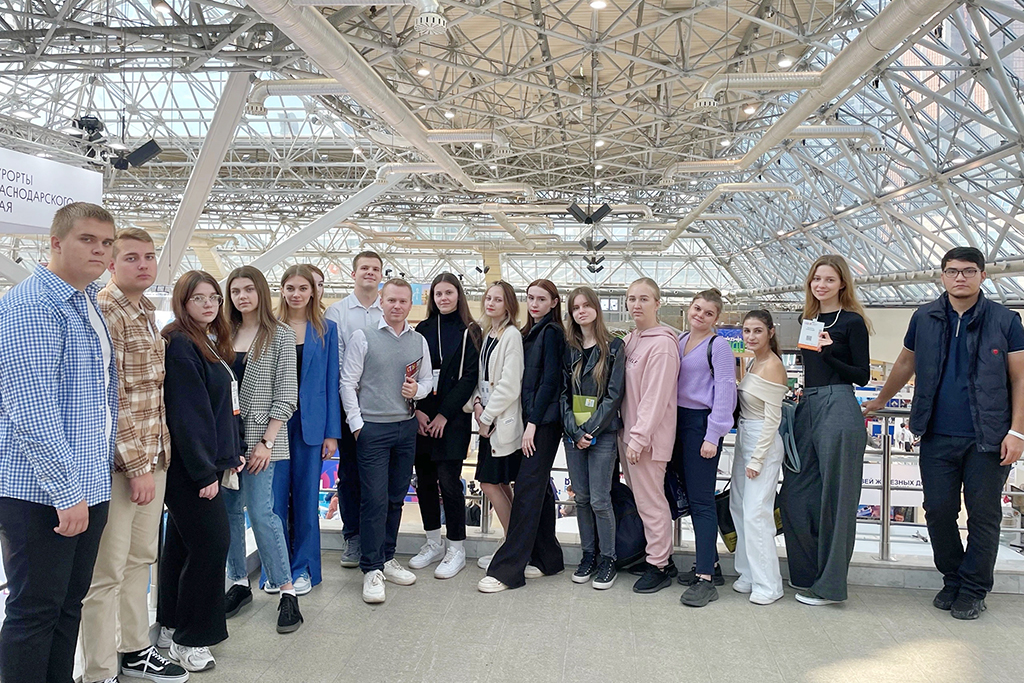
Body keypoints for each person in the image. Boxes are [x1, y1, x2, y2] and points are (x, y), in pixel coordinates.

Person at [863, 246, 1024, 620]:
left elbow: (1020, 378)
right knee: (937, 511)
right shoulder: (925, 317)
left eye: (968, 271)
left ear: (983, 276)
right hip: (936, 432)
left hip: (988, 437)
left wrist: (1017, 431)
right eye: (952, 271)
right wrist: (880, 399)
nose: (960, 277)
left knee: (983, 516)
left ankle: (973, 589)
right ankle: (953, 578)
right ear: (942, 276)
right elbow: (906, 361)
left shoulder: (1005, 321)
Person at [0, 203, 118, 683]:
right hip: (41, 492)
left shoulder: (84, 302)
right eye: (87, 239)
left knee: (69, 605)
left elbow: (97, 398)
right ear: (55, 242)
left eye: (106, 243)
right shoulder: (32, 305)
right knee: (34, 612)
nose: (100, 251)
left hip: (88, 484)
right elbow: (32, 409)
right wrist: (66, 492)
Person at [80, 228, 188, 683]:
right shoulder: (108, 310)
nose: (143, 265)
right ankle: (100, 669)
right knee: (107, 570)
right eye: (131, 258)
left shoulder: (144, 311)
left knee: (140, 558)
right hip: (122, 465)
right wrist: (138, 466)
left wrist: (155, 461)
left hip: (153, 455)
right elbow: (113, 397)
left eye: (149, 257)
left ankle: (135, 649)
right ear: (111, 264)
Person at [158, 271, 245, 672]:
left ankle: (171, 624)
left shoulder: (206, 339)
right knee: (212, 546)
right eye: (199, 298)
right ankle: (191, 639)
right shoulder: (180, 344)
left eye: (214, 297)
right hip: (191, 470)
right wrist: (204, 472)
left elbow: (223, 407)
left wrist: (232, 452)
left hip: (208, 464)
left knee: (182, 546)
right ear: (183, 301)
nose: (209, 304)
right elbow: (187, 416)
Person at [780, 254, 871, 606]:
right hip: (809, 404)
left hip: (839, 403)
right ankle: (807, 573)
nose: (821, 285)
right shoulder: (808, 319)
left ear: (842, 283)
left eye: (829, 279)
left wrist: (830, 353)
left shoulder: (852, 322)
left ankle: (830, 586)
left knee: (837, 498)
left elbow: (861, 375)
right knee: (795, 494)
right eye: (816, 279)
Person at [340, 278, 433, 603]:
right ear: (381, 301)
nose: (397, 306)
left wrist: (418, 391)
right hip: (373, 430)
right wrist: (357, 425)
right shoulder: (362, 337)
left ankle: (388, 557)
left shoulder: (418, 340)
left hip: (405, 428)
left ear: (410, 304)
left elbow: (427, 379)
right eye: (391, 300)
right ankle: (371, 568)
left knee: (395, 497)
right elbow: (347, 382)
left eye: (403, 301)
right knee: (374, 500)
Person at [221, 266, 302, 634]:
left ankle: (286, 590)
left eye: (249, 289)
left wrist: (267, 442)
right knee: (230, 513)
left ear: (261, 293)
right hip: (225, 439)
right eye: (236, 291)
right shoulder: (221, 333)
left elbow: (287, 395)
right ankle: (239, 581)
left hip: (260, 438)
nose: (242, 296)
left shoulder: (280, 335)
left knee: (261, 511)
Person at [480, 279, 567, 592]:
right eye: (531, 298)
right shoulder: (531, 331)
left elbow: (550, 382)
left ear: (554, 302)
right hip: (532, 420)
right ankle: (548, 558)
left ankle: (508, 570)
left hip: (542, 424)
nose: (535, 304)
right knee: (538, 490)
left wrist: (533, 424)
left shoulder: (551, 332)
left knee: (528, 490)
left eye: (542, 299)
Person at [271, 265, 340, 593]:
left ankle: (304, 569)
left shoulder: (326, 330)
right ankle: (276, 569)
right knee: (273, 501)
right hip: (274, 423)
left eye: (303, 288)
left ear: (313, 291)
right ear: (282, 291)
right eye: (290, 288)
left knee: (306, 498)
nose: (296, 294)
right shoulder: (270, 327)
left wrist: (331, 433)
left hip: (310, 425)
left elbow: (331, 382)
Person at [409, 273, 481, 579]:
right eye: (438, 294)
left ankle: (456, 548)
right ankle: (432, 542)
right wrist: (417, 412)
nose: (443, 298)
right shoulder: (422, 330)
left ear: (458, 295)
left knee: (449, 483)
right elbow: (412, 373)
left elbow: (469, 378)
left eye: (448, 293)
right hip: (423, 416)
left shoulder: (470, 331)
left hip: (452, 419)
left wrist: (444, 415)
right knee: (424, 481)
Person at [675, 288, 738, 607]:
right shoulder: (681, 339)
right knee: (690, 497)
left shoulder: (719, 346)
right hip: (678, 422)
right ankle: (709, 562)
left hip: (702, 424)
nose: (700, 315)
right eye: (697, 308)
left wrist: (713, 435)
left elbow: (726, 391)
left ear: (717, 318)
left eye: (708, 313)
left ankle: (705, 579)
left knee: (701, 501)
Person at [560, 286, 626, 590]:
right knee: (582, 499)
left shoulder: (614, 347)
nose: (581, 311)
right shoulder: (568, 348)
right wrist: (575, 431)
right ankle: (588, 555)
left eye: (586, 305)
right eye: (576, 308)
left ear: (596, 309)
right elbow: (562, 394)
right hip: (573, 435)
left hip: (603, 434)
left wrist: (591, 430)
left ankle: (608, 558)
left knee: (600, 500)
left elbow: (614, 396)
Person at [619, 278, 681, 594]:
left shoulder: (663, 345)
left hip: (647, 441)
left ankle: (659, 566)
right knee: (644, 501)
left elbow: (656, 397)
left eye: (644, 299)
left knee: (651, 502)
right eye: (632, 299)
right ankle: (657, 556)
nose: (636, 305)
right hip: (630, 437)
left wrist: (639, 437)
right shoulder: (632, 340)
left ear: (658, 303)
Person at [326, 251, 384, 569]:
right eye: (364, 268)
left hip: (381, 406)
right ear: (353, 274)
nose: (369, 273)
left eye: (375, 268)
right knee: (350, 473)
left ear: (381, 275)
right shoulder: (337, 312)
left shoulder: (387, 309)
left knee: (378, 475)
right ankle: (353, 537)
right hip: (348, 404)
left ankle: (378, 538)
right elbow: (336, 360)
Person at [731, 310, 789, 606]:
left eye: (757, 331)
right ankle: (748, 573)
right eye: (746, 331)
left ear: (770, 332)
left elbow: (772, 419)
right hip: (745, 437)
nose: (750, 336)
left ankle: (769, 583)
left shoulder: (773, 366)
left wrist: (757, 459)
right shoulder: (754, 362)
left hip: (761, 442)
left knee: (756, 513)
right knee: (739, 507)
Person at [471, 281, 525, 572]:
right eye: (488, 298)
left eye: (498, 299)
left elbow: (509, 384)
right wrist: (478, 403)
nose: (491, 303)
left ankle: (512, 546)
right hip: (487, 417)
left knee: (490, 483)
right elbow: (482, 378)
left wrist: (486, 416)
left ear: (509, 305)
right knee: (500, 484)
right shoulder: (488, 334)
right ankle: (514, 542)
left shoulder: (511, 335)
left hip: (498, 423)